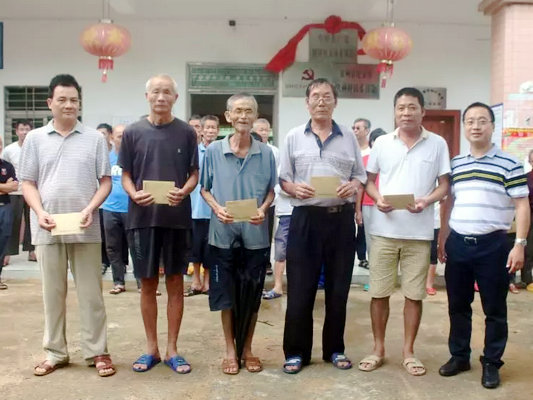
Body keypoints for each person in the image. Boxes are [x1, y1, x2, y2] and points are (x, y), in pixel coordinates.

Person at [19, 74, 115, 377]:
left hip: (85, 226)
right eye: (62, 99)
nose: (69, 104)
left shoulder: (95, 139)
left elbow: (105, 181)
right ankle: (55, 352)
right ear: (50, 103)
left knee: (91, 294)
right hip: (47, 227)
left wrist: (90, 208)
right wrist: (39, 212)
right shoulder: (35, 139)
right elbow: (27, 182)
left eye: (74, 99)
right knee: (52, 293)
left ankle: (97, 352)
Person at [437, 102, 530, 389]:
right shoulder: (456, 164)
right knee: (458, 305)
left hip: (494, 246)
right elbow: (448, 201)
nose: (476, 126)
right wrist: (443, 237)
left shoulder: (510, 163)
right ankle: (459, 356)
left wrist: (519, 245)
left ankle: (491, 363)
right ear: (464, 127)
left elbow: (522, 205)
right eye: (470, 121)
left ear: (492, 126)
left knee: (494, 308)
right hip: (459, 243)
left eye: (482, 121)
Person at [359, 87, 450, 376]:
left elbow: (444, 185)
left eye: (412, 107)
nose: (406, 113)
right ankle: (378, 349)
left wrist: (427, 200)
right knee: (379, 293)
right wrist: (378, 198)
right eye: (401, 108)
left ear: (422, 111)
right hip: (384, 231)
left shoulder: (437, 144)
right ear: (394, 111)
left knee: (414, 295)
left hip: (419, 233)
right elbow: (369, 180)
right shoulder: (383, 143)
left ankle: (409, 352)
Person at [279, 78, 366, 374]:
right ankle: (295, 352)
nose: (321, 101)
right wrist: (294, 189)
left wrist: (352, 186)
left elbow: (360, 176)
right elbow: (282, 179)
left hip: (340, 220)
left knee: (338, 289)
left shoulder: (348, 138)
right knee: (300, 290)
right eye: (315, 96)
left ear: (335, 102)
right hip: (305, 220)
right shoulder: (293, 136)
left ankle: (334, 349)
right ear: (307, 102)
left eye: (326, 96)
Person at [120, 74, 198, 374]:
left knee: (176, 281)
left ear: (175, 98)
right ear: (147, 96)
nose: (161, 97)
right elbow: (125, 173)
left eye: (167, 92)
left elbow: (194, 172)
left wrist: (186, 190)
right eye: (156, 92)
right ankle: (151, 348)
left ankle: (172, 349)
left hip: (177, 219)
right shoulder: (132, 132)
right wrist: (132, 192)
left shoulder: (187, 133)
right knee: (147, 284)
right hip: (142, 218)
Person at [200, 93, 276, 375]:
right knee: (226, 295)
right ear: (228, 116)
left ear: (256, 117)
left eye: (249, 111)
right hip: (222, 233)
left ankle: (247, 348)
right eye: (238, 111)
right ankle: (230, 350)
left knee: (252, 294)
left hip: (255, 235)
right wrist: (217, 209)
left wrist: (264, 209)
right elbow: (204, 189)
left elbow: (271, 190)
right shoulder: (214, 152)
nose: (243, 116)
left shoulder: (266, 153)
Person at [101, 124, 138, 294]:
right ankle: (118, 282)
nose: (122, 139)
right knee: (113, 247)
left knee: (136, 247)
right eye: (118, 136)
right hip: (109, 208)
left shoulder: (135, 158)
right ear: (111, 138)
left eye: (125, 136)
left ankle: (142, 284)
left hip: (132, 209)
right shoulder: (106, 158)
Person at [185, 115, 219, 296]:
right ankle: (195, 281)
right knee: (195, 247)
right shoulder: (194, 151)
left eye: (214, 128)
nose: (210, 131)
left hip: (214, 209)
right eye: (207, 128)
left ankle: (208, 282)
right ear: (202, 130)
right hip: (196, 207)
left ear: (218, 131)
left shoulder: (221, 151)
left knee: (210, 247)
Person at [2, 120, 36, 266]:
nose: (24, 132)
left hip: (32, 190)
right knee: (12, 223)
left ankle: (31, 250)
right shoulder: (9, 150)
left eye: (27, 129)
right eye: (21, 129)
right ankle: (8, 252)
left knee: (32, 221)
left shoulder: (36, 148)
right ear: (16, 132)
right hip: (14, 192)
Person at [253, 118, 279, 275]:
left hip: (270, 200)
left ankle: (266, 262)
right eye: (260, 130)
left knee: (267, 232)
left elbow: (278, 174)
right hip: (250, 200)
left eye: (266, 130)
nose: (263, 133)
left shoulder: (274, 151)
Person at [352, 118, 371, 269]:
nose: (355, 131)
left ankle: (364, 257)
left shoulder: (372, 153)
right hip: (349, 197)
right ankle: (359, 255)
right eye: (354, 128)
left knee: (364, 228)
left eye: (358, 128)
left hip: (366, 199)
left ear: (367, 131)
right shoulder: (351, 152)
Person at [0, 136, 18, 289]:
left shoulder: (7, 166)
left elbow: (14, 186)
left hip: (5, 206)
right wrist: (4, 186)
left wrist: (6, 188)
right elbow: (7, 186)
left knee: (3, 242)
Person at [96, 122, 113, 275]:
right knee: (101, 234)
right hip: (99, 202)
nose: (101, 136)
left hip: (113, 203)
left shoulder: (115, 154)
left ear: (110, 135)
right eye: (98, 133)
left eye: (104, 133)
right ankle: (103, 261)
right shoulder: (95, 151)